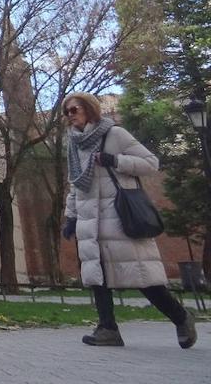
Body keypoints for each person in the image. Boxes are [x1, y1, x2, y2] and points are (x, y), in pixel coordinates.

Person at [61, 91, 197, 348]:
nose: (70, 116)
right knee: (97, 276)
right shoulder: (75, 145)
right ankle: (107, 329)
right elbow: (76, 185)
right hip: (91, 222)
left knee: (142, 277)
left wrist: (115, 161)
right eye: (66, 112)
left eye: (74, 110)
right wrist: (71, 217)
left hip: (120, 217)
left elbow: (150, 163)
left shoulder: (115, 134)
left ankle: (181, 317)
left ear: (89, 109)